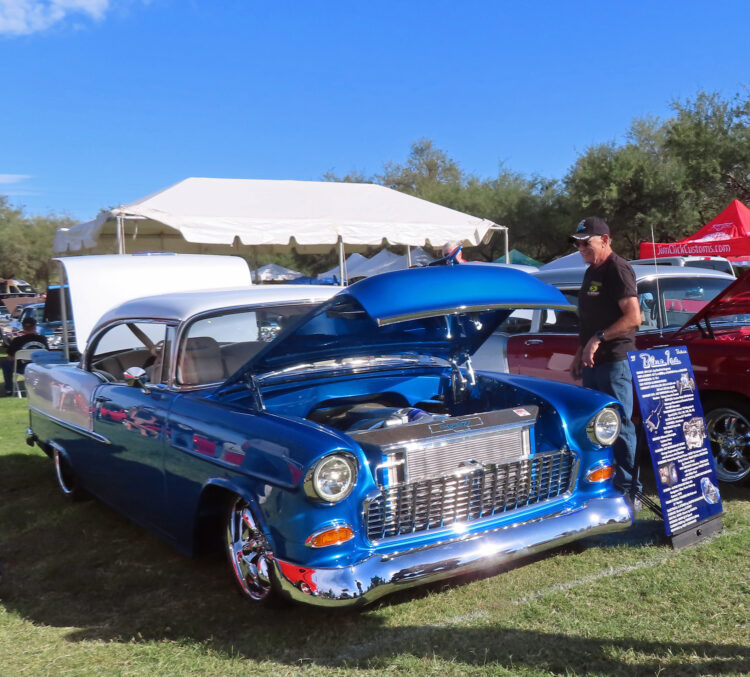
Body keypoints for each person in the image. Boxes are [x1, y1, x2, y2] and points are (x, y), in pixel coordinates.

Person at [568, 217, 643, 512]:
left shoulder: (618, 269)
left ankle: (630, 488)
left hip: (615, 361)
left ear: (605, 240)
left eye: (587, 243)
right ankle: (601, 483)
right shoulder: (590, 272)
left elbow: (633, 317)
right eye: (578, 244)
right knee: (595, 426)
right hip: (592, 362)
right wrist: (579, 352)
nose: (582, 248)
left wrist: (599, 339)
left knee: (620, 424)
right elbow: (589, 321)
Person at [2, 316, 48, 395]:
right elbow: (47, 354)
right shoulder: (42, 339)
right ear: (35, 326)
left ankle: (9, 389)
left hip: (22, 368)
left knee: (5, 363)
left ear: (23, 327)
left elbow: (10, 357)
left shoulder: (17, 340)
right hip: (40, 368)